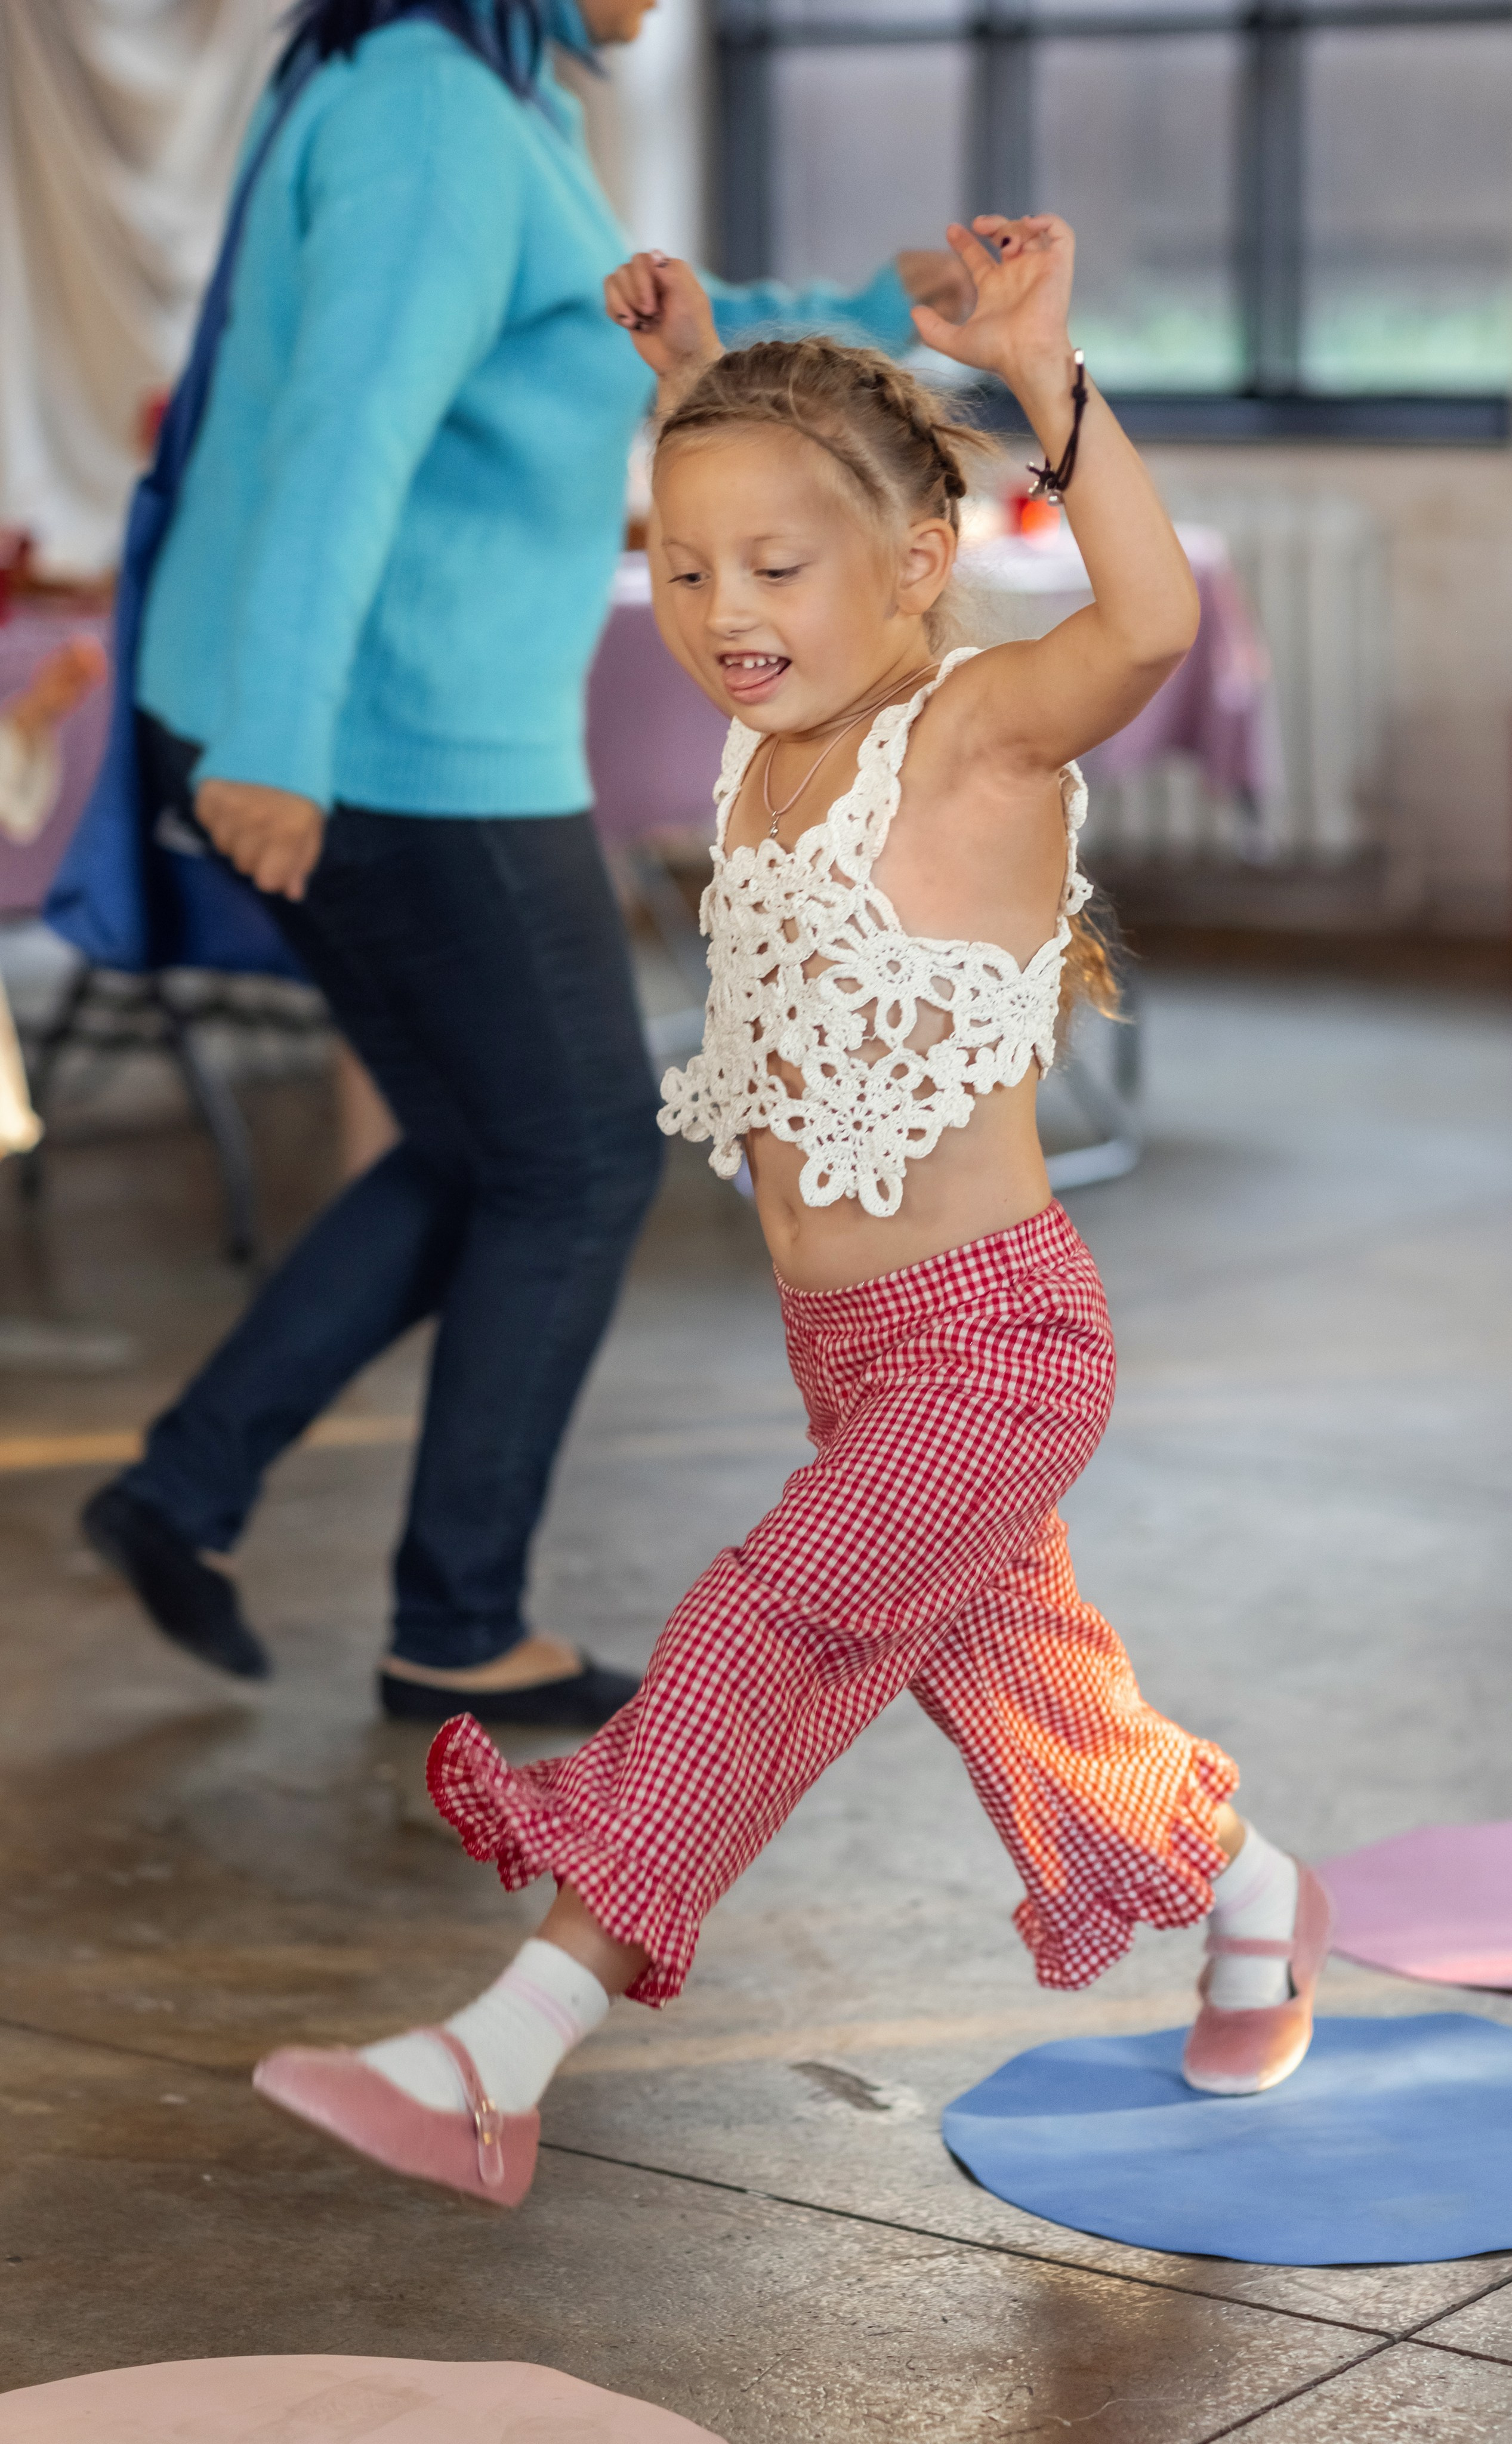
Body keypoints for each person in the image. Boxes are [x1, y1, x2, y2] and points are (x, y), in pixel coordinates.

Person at [252, 211, 1332, 2207]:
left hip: (999, 1347)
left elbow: (1156, 625)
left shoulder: (976, 738)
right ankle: (1258, 1899)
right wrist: (694, 387)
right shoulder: (771, 735)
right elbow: (759, 519)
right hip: (850, 1359)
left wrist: (1040, 370)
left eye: (771, 571)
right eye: (675, 567)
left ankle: (510, 2043)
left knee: (772, 1622)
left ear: (921, 569)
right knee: (1039, 1707)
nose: (718, 608)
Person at [79, 0, 975, 1725]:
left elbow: (618, 337)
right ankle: (453, 1621)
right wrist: (277, 739)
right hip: (395, 740)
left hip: (409, 723)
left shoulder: (493, 100)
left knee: (504, 1148)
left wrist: (873, 320)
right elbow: (339, 445)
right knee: (570, 1165)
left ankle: (192, 1490)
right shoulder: (432, 119)